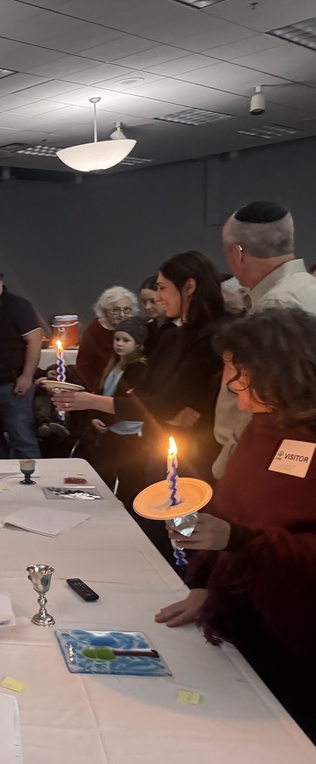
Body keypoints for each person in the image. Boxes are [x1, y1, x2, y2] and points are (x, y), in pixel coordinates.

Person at [155, 307, 316, 741]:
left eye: (239, 371)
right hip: (243, 617)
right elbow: (233, 508)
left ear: (282, 371)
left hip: (297, 633)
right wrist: (203, 580)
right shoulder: (261, 427)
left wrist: (242, 540)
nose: (229, 383)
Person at [55, 252, 227, 485]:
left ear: (189, 287)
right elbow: (145, 390)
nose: (159, 297)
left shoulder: (215, 337)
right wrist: (165, 410)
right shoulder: (173, 336)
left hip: (199, 454)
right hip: (160, 444)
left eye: (162, 288)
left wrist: (91, 401)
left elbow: (166, 403)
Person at [213, 201, 316, 479]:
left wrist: (232, 466)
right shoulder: (309, 288)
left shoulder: (277, 307)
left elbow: (258, 403)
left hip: (266, 458)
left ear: (237, 253)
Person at [0, 261, 43, 459]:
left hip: (12, 385)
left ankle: (31, 476)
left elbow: (35, 341)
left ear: (1, 281)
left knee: (22, 438)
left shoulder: (18, 305)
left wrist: (27, 376)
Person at [84, 316, 148, 504]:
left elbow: (126, 401)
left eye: (126, 340)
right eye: (117, 339)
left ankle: (130, 510)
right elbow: (102, 392)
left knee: (130, 479)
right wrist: (95, 416)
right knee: (104, 474)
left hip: (129, 433)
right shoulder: (113, 364)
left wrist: (107, 420)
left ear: (138, 345)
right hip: (110, 430)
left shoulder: (138, 369)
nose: (119, 344)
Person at [75, 286, 139, 392]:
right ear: (105, 311)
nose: (122, 315)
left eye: (126, 310)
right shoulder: (94, 330)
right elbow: (84, 366)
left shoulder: (134, 328)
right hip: (99, 386)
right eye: (116, 310)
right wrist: (94, 392)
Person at [139, 275, 173, 358]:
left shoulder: (181, 328)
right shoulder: (145, 329)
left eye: (153, 301)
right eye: (143, 302)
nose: (147, 307)